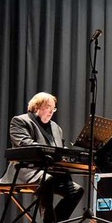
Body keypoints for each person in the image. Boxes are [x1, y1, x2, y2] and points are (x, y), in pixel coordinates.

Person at [0, 92, 84, 223]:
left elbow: (60, 149)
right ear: (36, 107)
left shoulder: (56, 128)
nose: (51, 111)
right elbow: (25, 144)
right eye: (48, 107)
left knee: (77, 191)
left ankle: (54, 221)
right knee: (47, 180)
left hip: (51, 171)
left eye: (53, 108)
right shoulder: (20, 121)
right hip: (25, 170)